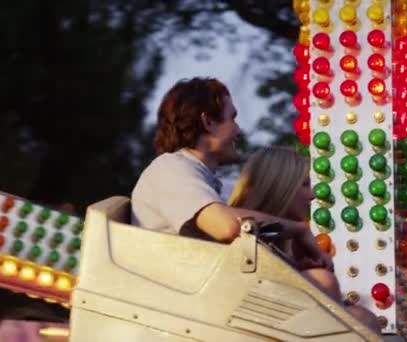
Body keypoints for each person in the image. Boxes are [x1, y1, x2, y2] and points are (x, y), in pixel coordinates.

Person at [130, 77, 329, 285]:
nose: (238, 130)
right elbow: (228, 227)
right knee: (325, 282)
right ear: (208, 122)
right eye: (232, 119)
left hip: (192, 296)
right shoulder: (171, 169)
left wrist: (293, 267)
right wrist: (298, 229)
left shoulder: (203, 182)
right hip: (178, 300)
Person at [226, 146, 381, 334]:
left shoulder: (283, 244)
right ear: (280, 186)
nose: (313, 195)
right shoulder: (238, 240)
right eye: (305, 184)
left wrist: (298, 268)